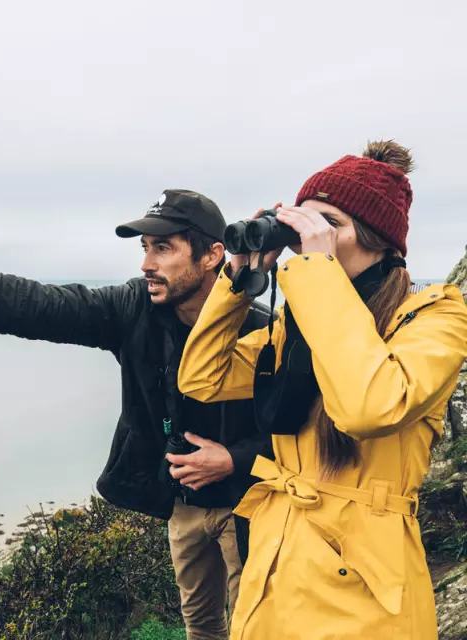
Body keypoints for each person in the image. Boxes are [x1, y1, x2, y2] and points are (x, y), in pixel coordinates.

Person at [0, 189, 272, 640]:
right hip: (182, 505)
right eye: (144, 248)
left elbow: (299, 431)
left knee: (254, 627)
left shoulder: (260, 329)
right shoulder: (133, 310)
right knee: (201, 624)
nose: (146, 264)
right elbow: (30, 303)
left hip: (249, 503)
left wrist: (232, 460)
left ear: (213, 255)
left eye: (163, 248)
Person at [177, 142, 467, 640]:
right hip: (275, 559)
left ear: (379, 241)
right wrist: (238, 280)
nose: (309, 238)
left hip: (362, 590)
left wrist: (316, 273)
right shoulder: (302, 326)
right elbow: (204, 378)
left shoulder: (437, 317)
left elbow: (369, 407)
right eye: (302, 223)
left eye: (329, 223)